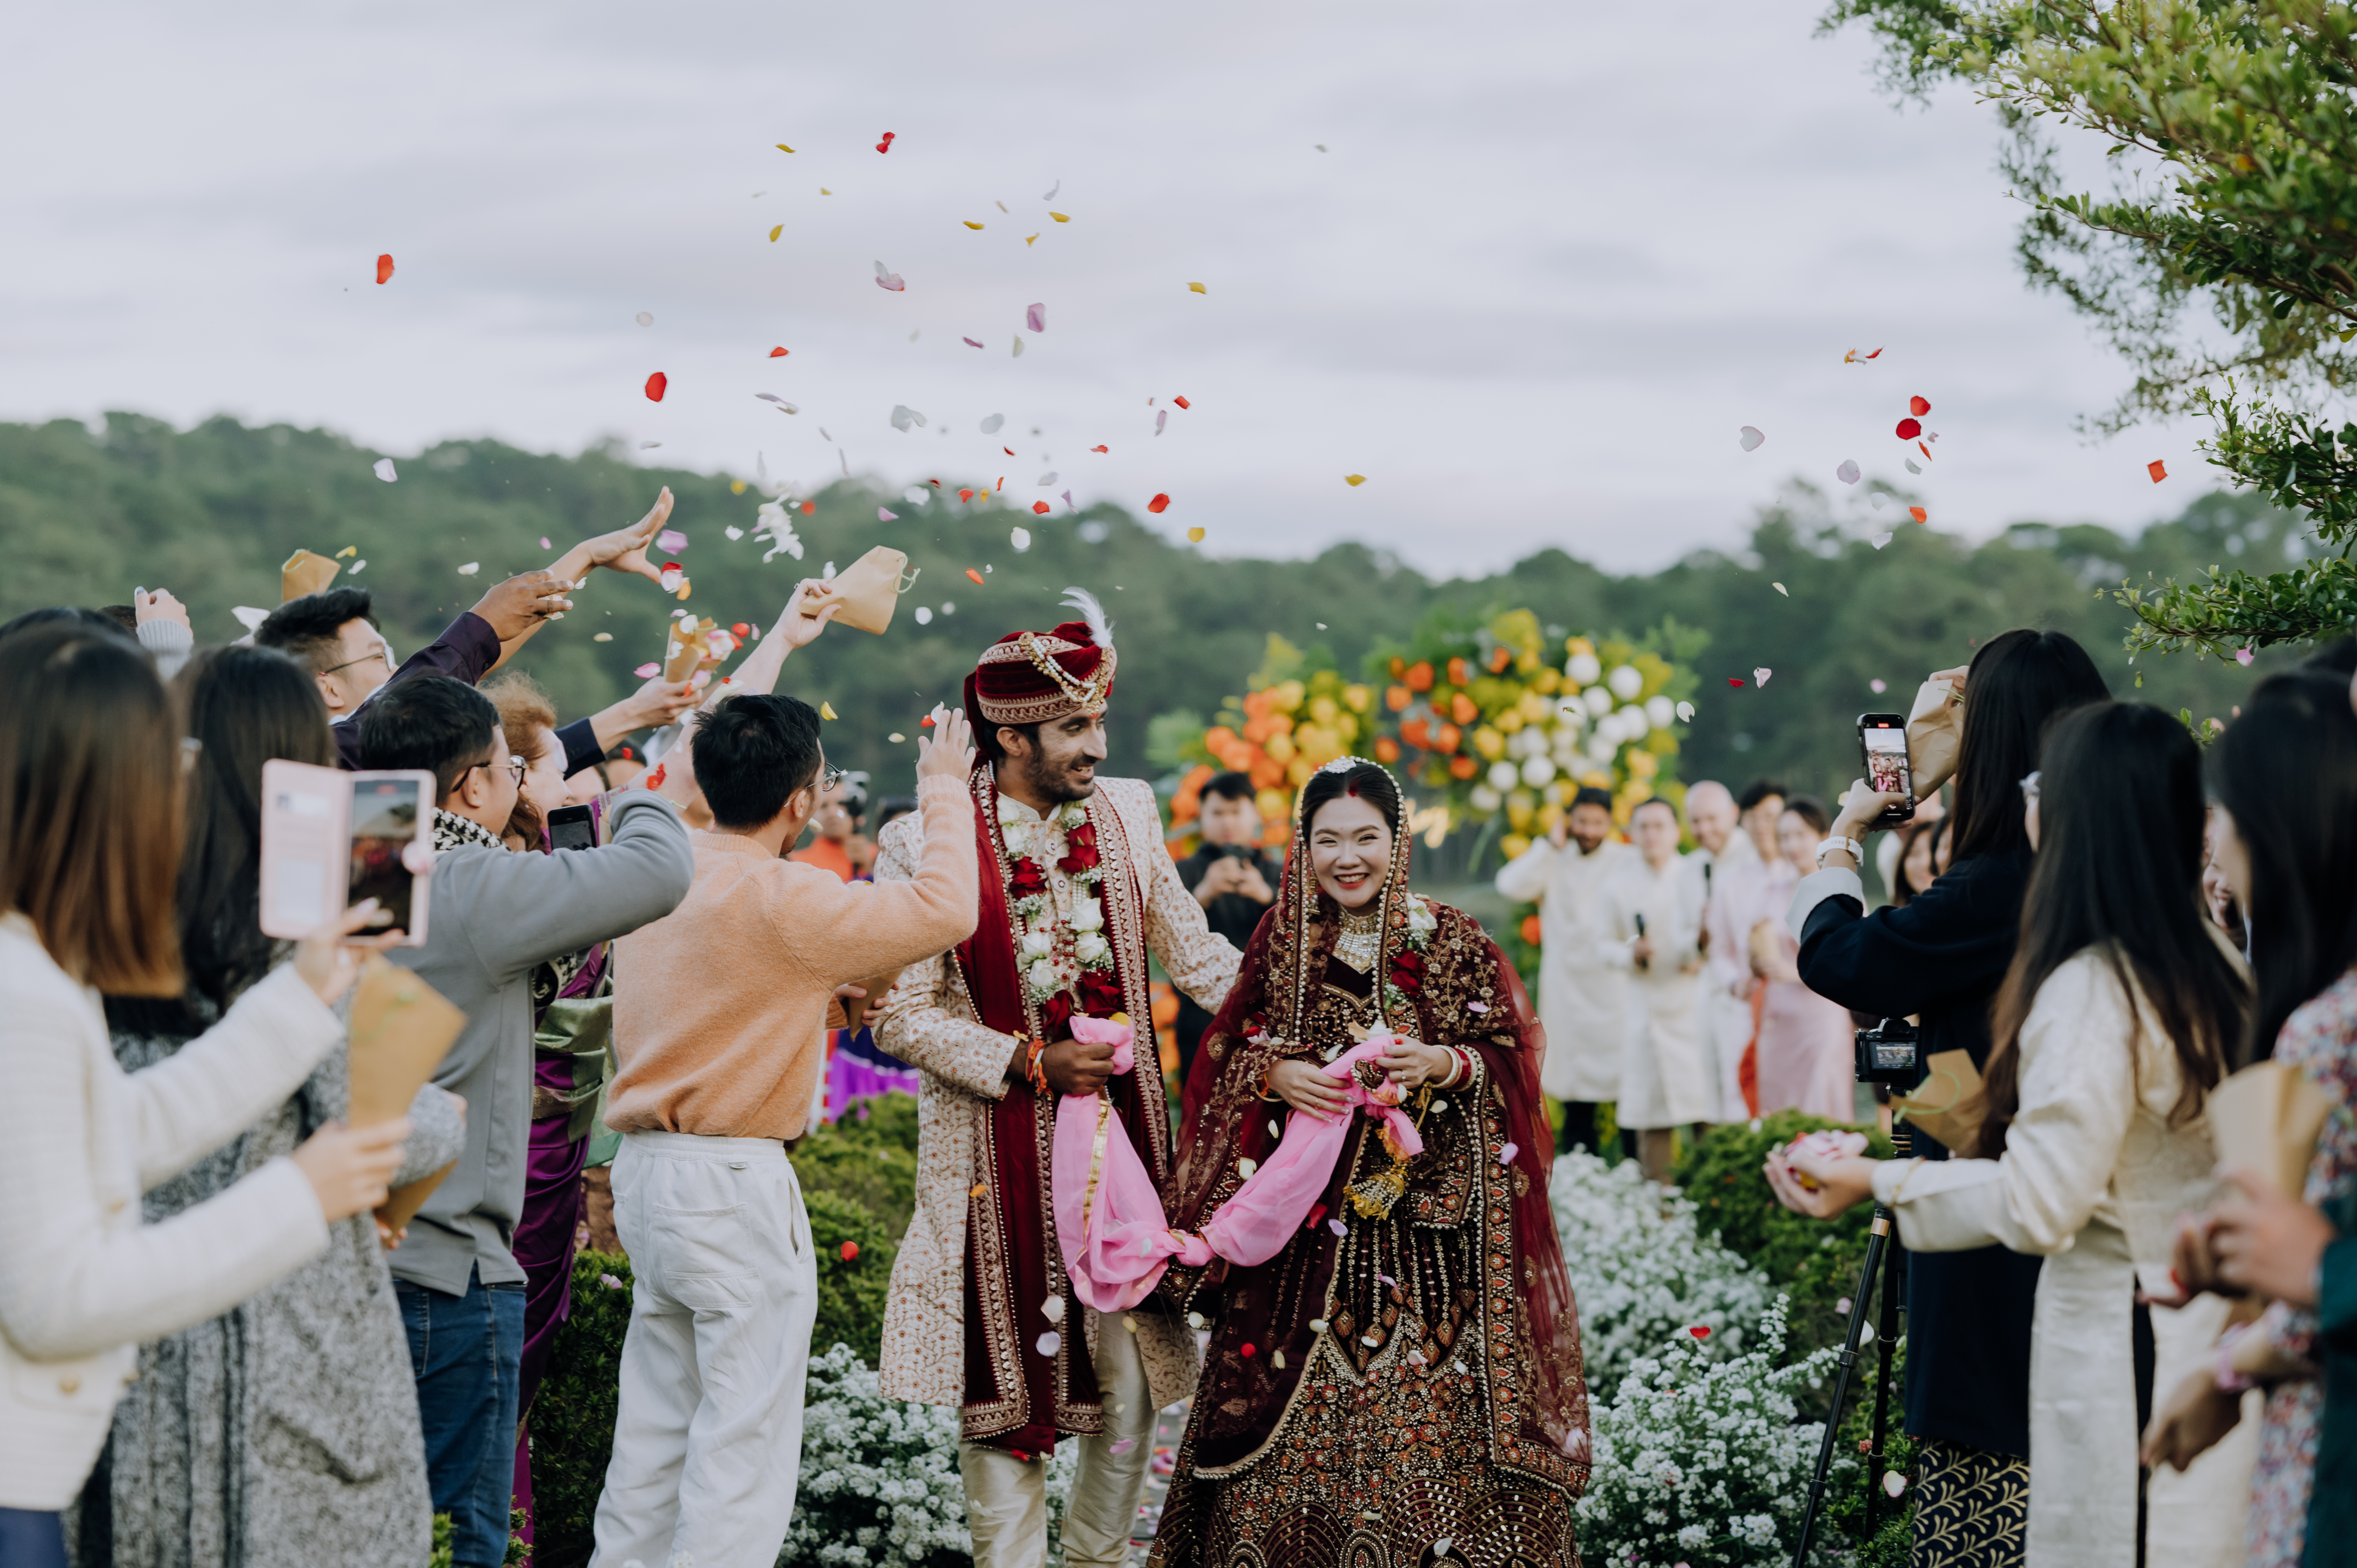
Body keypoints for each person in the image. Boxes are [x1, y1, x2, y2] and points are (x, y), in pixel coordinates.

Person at [1773, 701, 2253, 1568]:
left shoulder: (2090, 985)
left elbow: (2040, 1201)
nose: (2020, 797)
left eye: (2039, 783)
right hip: (2202, 1337)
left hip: (2111, 1326)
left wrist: (1875, 1179)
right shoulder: (2209, 960)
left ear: (2075, 818)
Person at [0, 625, 408, 1568]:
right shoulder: (24, 994)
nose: (179, 788)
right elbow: (56, 1297)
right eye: (162, 760)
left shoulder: (34, 967)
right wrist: (298, 1193)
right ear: (87, 783)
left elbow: (119, 1132)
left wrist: (305, 993)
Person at [870, 592, 1242, 1568]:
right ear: (1009, 731)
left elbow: (1195, 953)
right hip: (992, 1160)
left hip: (1119, 1155)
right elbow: (900, 1012)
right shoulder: (923, 841)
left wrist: (1308, 1016)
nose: (1096, 742)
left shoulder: (1126, 810)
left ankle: (1095, 1558)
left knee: (1128, 1379)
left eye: (1099, 720)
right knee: (1003, 1385)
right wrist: (1029, 1060)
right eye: (1075, 725)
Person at [1150, 757, 1590, 1565]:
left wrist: (1443, 1064)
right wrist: (1274, 1070)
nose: (1345, 856)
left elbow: (1510, 1052)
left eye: (1365, 837)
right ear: (1301, 844)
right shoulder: (1284, 940)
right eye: (1327, 839)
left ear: (1397, 841)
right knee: (1292, 1404)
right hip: (1300, 1232)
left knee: (1419, 1410)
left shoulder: (1451, 936)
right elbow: (1228, 1043)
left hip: (1423, 1233)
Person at [83, 647, 468, 1568]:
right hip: (285, 1318)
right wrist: (442, 1121)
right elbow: (363, 1121)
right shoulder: (307, 928)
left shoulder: (108, 906)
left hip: (131, 1316)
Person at [591, 672, 979, 1568]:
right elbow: (946, 911)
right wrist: (944, 789)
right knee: (742, 1443)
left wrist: (812, 1007)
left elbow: (713, 1001)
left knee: (654, 1431)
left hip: (652, 1173)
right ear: (802, 798)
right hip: (729, 1180)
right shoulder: (785, 895)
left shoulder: (665, 870)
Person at [1785, 629, 2109, 1567]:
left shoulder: (2001, 882)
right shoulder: (2123, 877)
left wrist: (1852, 823)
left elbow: (1842, 956)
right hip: (2090, 1221)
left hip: (1990, 1215)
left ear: (1997, 746)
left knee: (1982, 1484)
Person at [357, 673, 696, 1568]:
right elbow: (658, 872)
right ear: (473, 786)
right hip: (448, 1268)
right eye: (509, 766)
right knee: (460, 1531)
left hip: (351, 1254)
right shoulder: (468, 880)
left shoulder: (360, 866)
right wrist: (636, 793)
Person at [2143, 670, 2357, 1568]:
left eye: (2217, 814)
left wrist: (2297, 1275)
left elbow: (2321, 1267)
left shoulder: (2328, 1028)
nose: (2210, 843)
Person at [478, 673, 623, 1548]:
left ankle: (508, 1520)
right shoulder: (477, 877)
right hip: (505, 1142)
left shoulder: (568, 862)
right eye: (539, 762)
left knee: (530, 1338)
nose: (561, 781)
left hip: (561, 1142)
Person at [258, 488, 697, 771]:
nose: (400, 669)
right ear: (329, 689)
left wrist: (584, 558)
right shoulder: (314, 762)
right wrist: (483, 620)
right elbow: (438, 679)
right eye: (380, 658)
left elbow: (473, 662)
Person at [1495, 784, 1632, 1154]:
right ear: (1569, 821)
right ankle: (1579, 1173)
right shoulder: (1553, 857)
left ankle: (1634, 1176)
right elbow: (1508, 885)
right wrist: (1549, 846)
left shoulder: (1625, 859)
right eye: (1582, 821)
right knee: (1575, 1096)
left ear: (1609, 823)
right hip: (1568, 992)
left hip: (1614, 991)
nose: (1588, 830)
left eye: (1597, 822)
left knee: (1626, 1090)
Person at [1597, 796, 1708, 1180]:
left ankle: (1710, 1195)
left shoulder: (1696, 874)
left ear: (1676, 832)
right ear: (1631, 834)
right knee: (1652, 1115)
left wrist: (1701, 951)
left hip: (1694, 1005)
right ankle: (1658, 1209)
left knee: (1705, 1111)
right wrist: (1631, 952)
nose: (1651, 835)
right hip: (1645, 1009)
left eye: (1659, 826)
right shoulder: (1617, 886)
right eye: (1643, 827)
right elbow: (1602, 945)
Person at [1747, 795, 1857, 1123]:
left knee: (1821, 1103)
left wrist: (1790, 970)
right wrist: (1757, 961)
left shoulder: (1837, 889)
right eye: (1784, 837)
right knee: (1779, 1106)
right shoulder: (1771, 890)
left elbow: (1847, 956)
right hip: (1778, 1016)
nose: (1791, 845)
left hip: (1820, 1015)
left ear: (1822, 835)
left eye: (1800, 834)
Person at [1172, 771, 1280, 1086]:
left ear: (1255, 814)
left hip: (1266, 1013)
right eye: (1217, 813)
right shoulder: (1183, 872)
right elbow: (1164, 934)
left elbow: (1304, 932)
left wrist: (1266, 896)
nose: (1227, 823)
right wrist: (1203, 893)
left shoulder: (1275, 872)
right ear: (1202, 817)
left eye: (1236, 812)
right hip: (1199, 1018)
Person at [1701, 780, 1793, 1123]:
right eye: (1753, 818)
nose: (1762, 827)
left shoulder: (1801, 873)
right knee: (1743, 1100)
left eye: (1770, 816)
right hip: (1746, 1005)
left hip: (1797, 1001)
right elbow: (1719, 949)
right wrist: (1732, 982)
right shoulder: (1731, 882)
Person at [1682, 779, 1753, 1124]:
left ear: (1733, 815)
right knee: (1710, 1093)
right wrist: (1698, 935)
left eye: (1712, 819)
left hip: (1747, 989)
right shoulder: (1690, 866)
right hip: (1705, 991)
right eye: (1696, 821)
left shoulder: (1754, 855)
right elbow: (1680, 942)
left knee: (1745, 1087)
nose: (1704, 829)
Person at [789, 769, 867, 881]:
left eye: (841, 804)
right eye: (824, 806)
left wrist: (869, 869)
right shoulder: (797, 864)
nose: (832, 813)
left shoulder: (877, 856)